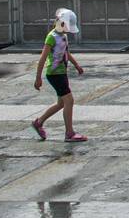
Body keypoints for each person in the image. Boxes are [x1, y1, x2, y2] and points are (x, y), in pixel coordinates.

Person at [30, 8, 87, 142]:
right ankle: (69, 133)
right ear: (60, 23)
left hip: (62, 73)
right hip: (55, 74)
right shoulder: (51, 37)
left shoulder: (63, 35)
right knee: (69, 100)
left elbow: (66, 52)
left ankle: (38, 123)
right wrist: (38, 78)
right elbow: (43, 58)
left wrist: (76, 65)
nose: (68, 29)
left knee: (61, 103)